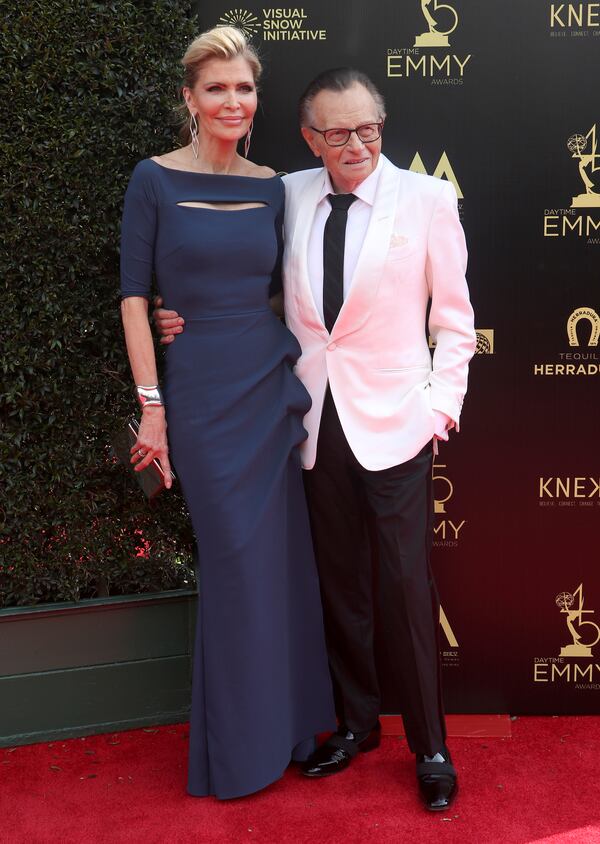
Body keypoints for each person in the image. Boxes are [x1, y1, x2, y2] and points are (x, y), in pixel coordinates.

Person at [155, 66, 476, 811]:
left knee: (402, 588)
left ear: (381, 125)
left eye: (368, 128)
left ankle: (430, 743)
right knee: (336, 589)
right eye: (338, 132)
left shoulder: (427, 198)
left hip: (396, 425)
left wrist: (438, 409)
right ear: (310, 138)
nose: (357, 143)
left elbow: (456, 322)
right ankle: (355, 724)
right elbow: (242, 277)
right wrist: (181, 314)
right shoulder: (287, 192)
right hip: (305, 422)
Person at [119, 27, 335, 800]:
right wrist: (152, 406)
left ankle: (291, 729)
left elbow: (282, 289)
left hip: (263, 384)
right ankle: (238, 752)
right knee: (236, 564)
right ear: (190, 98)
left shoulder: (274, 184)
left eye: (244, 89)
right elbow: (136, 299)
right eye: (217, 89)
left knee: (279, 564)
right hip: (202, 395)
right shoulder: (153, 180)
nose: (233, 102)